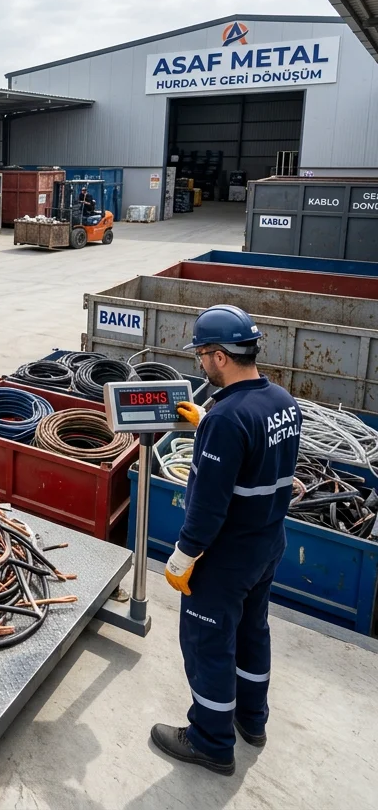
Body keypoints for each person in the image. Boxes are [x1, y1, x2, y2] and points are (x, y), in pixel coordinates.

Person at [151, 304, 301, 776]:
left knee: (207, 642)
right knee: (252, 631)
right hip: (267, 545)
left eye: (201, 355)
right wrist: (207, 425)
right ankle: (251, 720)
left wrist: (183, 556)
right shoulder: (282, 401)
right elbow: (260, 459)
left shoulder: (226, 420)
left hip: (225, 558)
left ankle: (211, 740)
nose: (199, 363)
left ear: (219, 356)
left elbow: (209, 508)